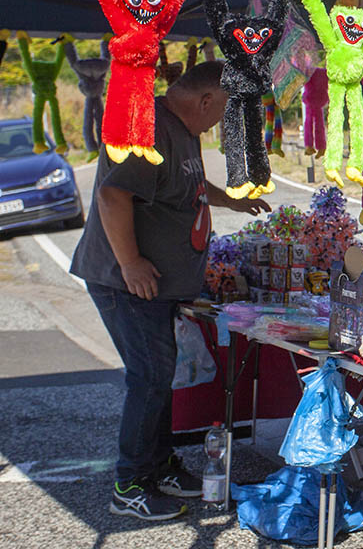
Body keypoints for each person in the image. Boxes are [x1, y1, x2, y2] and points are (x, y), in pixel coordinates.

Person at [69, 62, 271, 521]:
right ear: (204, 101)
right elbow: (111, 197)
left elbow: (189, 187)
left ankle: (159, 467)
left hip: (156, 286)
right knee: (149, 377)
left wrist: (230, 200)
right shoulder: (148, 128)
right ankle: (131, 483)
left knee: (159, 378)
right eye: (220, 111)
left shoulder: (183, 130)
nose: (220, 122)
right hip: (126, 283)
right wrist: (131, 263)